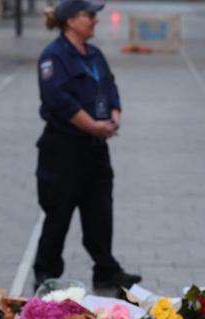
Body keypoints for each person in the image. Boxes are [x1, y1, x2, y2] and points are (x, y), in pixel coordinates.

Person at [34, 0, 141, 294]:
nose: (95, 20)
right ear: (71, 21)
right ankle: (46, 272)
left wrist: (114, 115)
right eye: (89, 15)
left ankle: (106, 270)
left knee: (100, 211)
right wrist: (94, 126)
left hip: (96, 149)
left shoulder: (94, 55)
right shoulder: (53, 57)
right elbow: (60, 101)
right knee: (59, 213)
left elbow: (110, 87)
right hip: (63, 150)